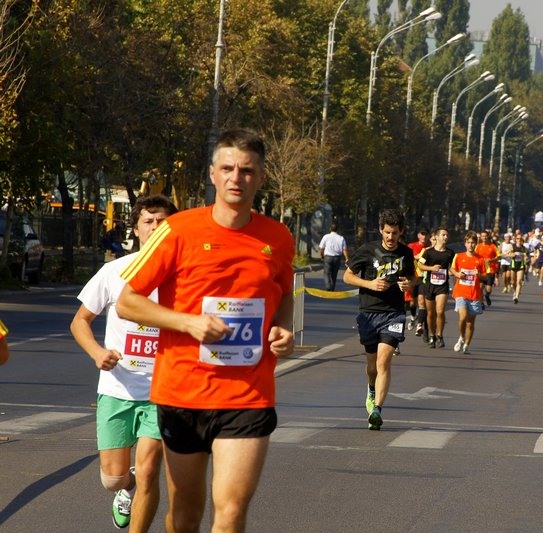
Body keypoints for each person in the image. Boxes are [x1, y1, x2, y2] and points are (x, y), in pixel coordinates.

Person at [116, 128, 296, 533]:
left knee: (230, 511)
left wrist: (283, 327)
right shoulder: (177, 230)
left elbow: (285, 292)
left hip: (248, 394)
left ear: (261, 177)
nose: (236, 178)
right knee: (185, 513)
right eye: (227, 169)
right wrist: (188, 322)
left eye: (246, 170)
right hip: (184, 392)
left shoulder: (278, 238)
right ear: (212, 174)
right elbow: (128, 301)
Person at [71, 194, 177, 531]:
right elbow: (80, 321)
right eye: (148, 221)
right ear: (136, 228)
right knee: (113, 478)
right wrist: (97, 353)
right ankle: (125, 489)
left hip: (162, 391)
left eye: (163, 222)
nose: (155, 227)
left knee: (148, 470)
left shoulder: (185, 276)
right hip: (117, 388)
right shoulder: (114, 271)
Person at [343, 208, 416, 430]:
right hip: (369, 313)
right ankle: (371, 388)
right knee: (372, 365)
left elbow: (412, 276)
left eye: (395, 233)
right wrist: (370, 284)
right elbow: (347, 276)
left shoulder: (406, 253)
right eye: (387, 232)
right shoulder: (367, 250)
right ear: (380, 231)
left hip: (394, 313)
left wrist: (409, 284)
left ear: (401, 232)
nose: (391, 237)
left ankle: (377, 410)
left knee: (384, 361)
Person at [450, 231, 488, 354]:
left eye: (473, 243)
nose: (470, 245)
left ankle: (466, 345)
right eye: (468, 242)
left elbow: (486, 277)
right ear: (465, 243)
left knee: (470, 323)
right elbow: (452, 269)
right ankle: (461, 337)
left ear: (476, 244)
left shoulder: (481, 259)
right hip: (460, 292)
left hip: (474, 294)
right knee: (463, 317)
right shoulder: (458, 256)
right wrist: (457, 274)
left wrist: (479, 274)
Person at [418, 227, 455, 348]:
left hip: (443, 286)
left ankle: (440, 335)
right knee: (430, 313)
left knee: (440, 311)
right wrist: (431, 268)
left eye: (447, 235)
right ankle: (432, 335)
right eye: (443, 235)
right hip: (430, 285)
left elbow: (452, 267)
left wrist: (456, 274)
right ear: (437, 237)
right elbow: (420, 265)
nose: (445, 237)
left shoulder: (450, 253)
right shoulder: (428, 252)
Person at [407, 229, 431, 339]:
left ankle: (421, 326)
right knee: (412, 303)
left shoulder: (430, 247)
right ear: (418, 235)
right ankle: (413, 317)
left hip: (424, 278)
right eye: (422, 234)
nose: (424, 237)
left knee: (422, 302)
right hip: (413, 277)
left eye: (426, 235)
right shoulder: (411, 246)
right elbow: (412, 258)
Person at [319, 222, 349, 291]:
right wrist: (347, 258)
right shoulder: (341, 238)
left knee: (327, 273)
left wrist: (321, 255)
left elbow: (321, 248)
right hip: (337, 258)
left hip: (328, 257)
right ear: (337, 229)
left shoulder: (326, 236)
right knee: (334, 274)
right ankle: (332, 288)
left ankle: (328, 286)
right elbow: (344, 249)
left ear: (330, 229)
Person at [475, 230, 498, 307]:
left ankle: (487, 295)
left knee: (488, 289)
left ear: (488, 236)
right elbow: (475, 256)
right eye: (482, 236)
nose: (484, 237)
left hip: (490, 270)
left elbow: (498, 256)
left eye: (485, 236)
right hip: (481, 270)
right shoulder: (478, 246)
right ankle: (481, 303)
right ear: (481, 237)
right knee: (480, 287)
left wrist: (491, 260)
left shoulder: (492, 246)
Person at [509, 234, 528, 304]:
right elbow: (509, 254)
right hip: (513, 265)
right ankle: (515, 291)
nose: (519, 240)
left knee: (519, 281)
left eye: (520, 239)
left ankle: (516, 297)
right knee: (513, 282)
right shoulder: (513, 247)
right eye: (517, 238)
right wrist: (512, 255)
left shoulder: (524, 248)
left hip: (521, 265)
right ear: (515, 239)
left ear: (522, 240)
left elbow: (526, 257)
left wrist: (525, 258)